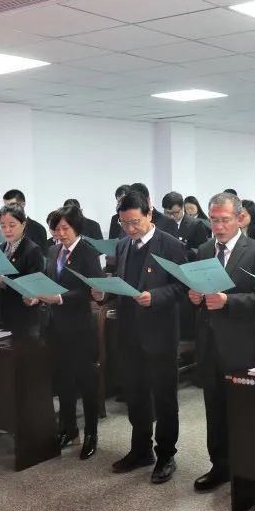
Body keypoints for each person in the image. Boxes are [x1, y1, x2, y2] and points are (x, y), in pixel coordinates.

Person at [92, 191, 186, 484]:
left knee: (164, 397)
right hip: (128, 332)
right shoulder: (122, 245)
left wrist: (155, 296)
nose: (130, 229)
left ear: (149, 214)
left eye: (135, 222)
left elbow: (182, 287)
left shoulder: (170, 245)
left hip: (160, 333)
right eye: (124, 223)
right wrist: (103, 293)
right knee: (135, 394)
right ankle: (141, 449)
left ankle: (166, 454)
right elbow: (120, 283)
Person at [188, 193, 255, 492]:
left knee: (244, 411)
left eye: (224, 220)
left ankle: (250, 470)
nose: (219, 226)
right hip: (209, 342)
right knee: (214, 408)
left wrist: (228, 301)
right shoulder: (204, 249)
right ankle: (219, 465)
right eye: (214, 220)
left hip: (242, 344)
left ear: (239, 218)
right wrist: (194, 297)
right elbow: (198, 290)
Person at [35, 205, 100, 460]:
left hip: (79, 328)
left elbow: (90, 290)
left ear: (76, 228)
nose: (60, 234)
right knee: (63, 381)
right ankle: (68, 428)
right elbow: (47, 281)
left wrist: (60, 298)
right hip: (55, 326)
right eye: (56, 229)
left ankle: (91, 433)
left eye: (65, 228)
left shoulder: (88, 252)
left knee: (86, 383)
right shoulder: (53, 250)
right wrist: (37, 296)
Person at [0, 204, 46, 339]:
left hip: (23, 321)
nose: (7, 230)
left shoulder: (32, 250)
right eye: (3, 226)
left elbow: (33, 288)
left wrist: (4, 282)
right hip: (0, 319)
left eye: (12, 225)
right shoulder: (0, 248)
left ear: (23, 225)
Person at [161, 191, 209, 255]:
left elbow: (204, 251)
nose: (171, 216)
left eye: (175, 212)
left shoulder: (196, 225)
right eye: (168, 213)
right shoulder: (161, 224)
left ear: (183, 208)